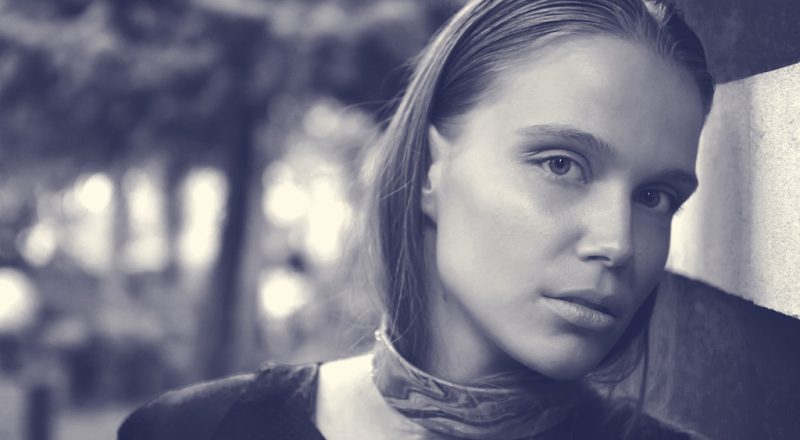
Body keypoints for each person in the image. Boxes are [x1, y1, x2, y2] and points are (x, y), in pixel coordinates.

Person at [118, 0, 715, 438]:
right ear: (431, 168)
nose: (617, 243)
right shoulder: (192, 430)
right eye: (561, 164)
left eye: (655, 197)